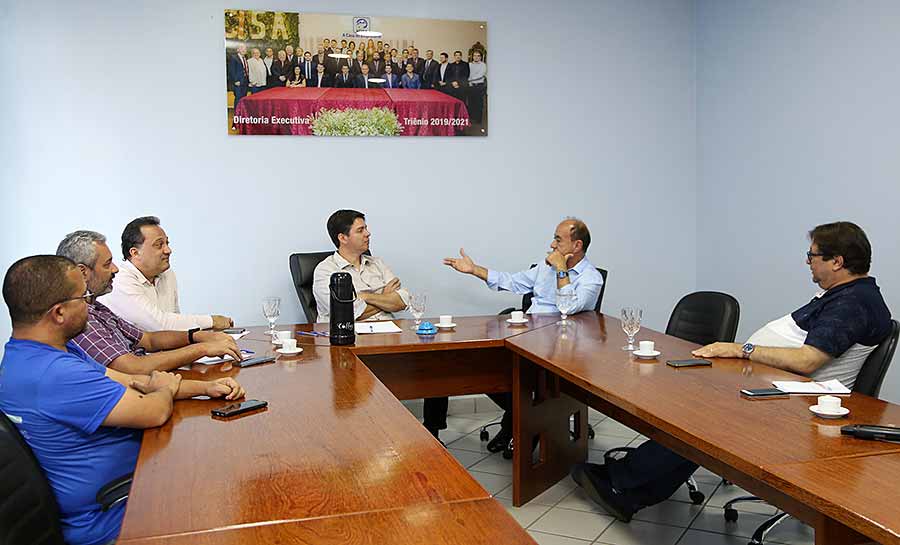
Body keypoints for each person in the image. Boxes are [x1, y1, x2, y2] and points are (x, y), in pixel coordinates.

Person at [569, 221, 892, 523]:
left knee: (702, 418)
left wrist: (742, 349)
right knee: (691, 405)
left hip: (802, 402)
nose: (807, 261)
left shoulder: (852, 303)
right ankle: (630, 481)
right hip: (784, 387)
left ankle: (625, 484)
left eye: (812, 255)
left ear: (836, 261)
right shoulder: (845, 295)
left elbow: (807, 362)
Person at [0, 255, 245, 545]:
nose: (90, 305)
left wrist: (205, 388)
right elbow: (152, 410)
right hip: (117, 513)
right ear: (59, 313)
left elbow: (133, 383)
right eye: (84, 297)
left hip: (132, 484)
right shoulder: (56, 374)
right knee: (234, 498)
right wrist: (164, 390)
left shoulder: (32, 355)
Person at [443, 218, 605, 449]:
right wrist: (474, 270)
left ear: (577, 246)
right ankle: (521, 422)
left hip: (558, 349)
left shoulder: (591, 278)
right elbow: (513, 282)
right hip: (529, 337)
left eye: (558, 240)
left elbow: (567, 308)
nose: (551, 244)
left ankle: (520, 428)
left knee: (518, 379)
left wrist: (561, 269)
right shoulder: (544, 267)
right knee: (480, 370)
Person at [57, 230, 244, 374]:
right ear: (82, 272)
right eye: (107, 264)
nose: (115, 269)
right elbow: (133, 368)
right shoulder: (80, 318)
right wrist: (202, 348)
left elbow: (149, 339)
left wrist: (196, 337)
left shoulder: (98, 308)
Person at [97, 216, 233, 332]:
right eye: (159, 245)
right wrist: (211, 321)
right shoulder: (120, 279)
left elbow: (175, 321)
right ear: (135, 252)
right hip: (134, 358)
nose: (168, 250)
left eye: (167, 243)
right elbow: (159, 324)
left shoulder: (167, 274)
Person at [227, 43, 249, 110]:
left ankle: (241, 114)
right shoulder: (234, 58)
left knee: (243, 99)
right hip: (238, 83)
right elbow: (231, 70)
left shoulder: (244, 58)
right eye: (242, 48)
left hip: (245, 82)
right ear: (238, 50)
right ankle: (237, 115)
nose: (244, 50)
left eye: (245, 48)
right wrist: (235, 81)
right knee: (238, 99)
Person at [467, 50, 487, 123]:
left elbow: (480, 75)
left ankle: (478, 119)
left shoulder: (483, 65)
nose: (476, 57)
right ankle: (472, 118)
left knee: (479, 103)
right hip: (470, 86)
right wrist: (469, 81)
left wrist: (469, 80)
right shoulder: (469, 64)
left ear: (481, 57)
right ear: (472, 56)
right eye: (475, 55)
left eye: (478, 56)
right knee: (471, 102)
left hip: (479, 86)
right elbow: (467, 74)